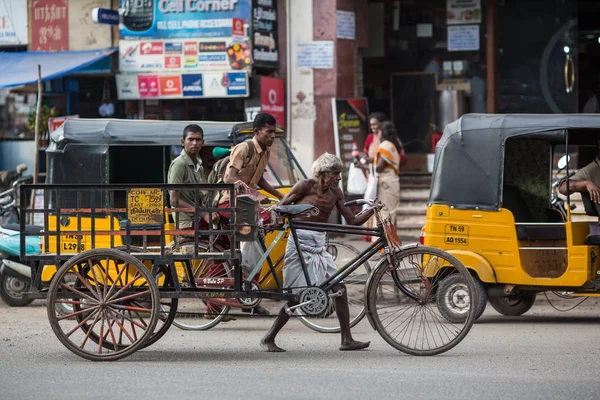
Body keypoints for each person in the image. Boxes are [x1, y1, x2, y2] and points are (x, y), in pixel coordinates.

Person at [260, 153, 374, 352]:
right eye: (335, 174)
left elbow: (353, 220)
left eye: (339, 174)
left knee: (339, 288)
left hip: (319, 245)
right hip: (299, 242)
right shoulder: (305, 186)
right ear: (323, 173)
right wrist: (277, 218)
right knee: (295, 295)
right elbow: (280, 207)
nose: (338, 178)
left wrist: (371, 210)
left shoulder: (336, 193)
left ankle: (346, 339)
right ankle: (269, 337)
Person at [221, 112, 284, 316]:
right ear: (257, 132)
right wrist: (255, 195)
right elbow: (230, 178)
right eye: (269, 132)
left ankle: (251, 299)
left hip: (247, 205)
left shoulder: (265, 151)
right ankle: (217, 306)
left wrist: (281, 195)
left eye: (274, 132)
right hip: (230, 203)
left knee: (258, 251)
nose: (272, 136)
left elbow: (260, 180)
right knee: (251, 247)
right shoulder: (245, 148)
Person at [167, 124, 216, 229]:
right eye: (191, 139)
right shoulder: (179, 164)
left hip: (197, 219)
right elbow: (173, 200)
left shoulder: (198, 165)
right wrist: (203, 213)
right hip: (186, 223)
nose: (194, 143)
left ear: (202, 143)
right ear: (183, 142)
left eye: (198, 140)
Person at [375, 121, 404, 229]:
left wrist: (364, 165)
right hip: (393, 180)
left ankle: (386, 244)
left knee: (385, 212)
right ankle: (392, 242)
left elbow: (379, 167)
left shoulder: (385, 145)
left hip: (386, 182)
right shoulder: (394, 144)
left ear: (382, 132)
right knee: (392, 213)